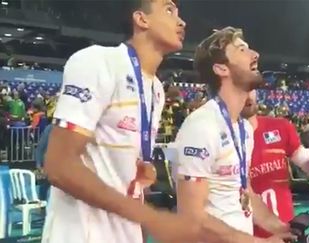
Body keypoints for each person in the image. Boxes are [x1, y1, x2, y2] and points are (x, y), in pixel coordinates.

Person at [41, 1, 201, 243]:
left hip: (126, 232)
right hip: (82, 233)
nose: (182, 21)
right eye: (169, 10)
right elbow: (59, 166)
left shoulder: (156, 89)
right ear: (141, 19)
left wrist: (137, 171)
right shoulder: (97, 61)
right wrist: (153, 218)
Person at [175, 27, 295, 243]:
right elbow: (192, 216)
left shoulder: (244, 130)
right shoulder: (201, 126)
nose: (255, 55)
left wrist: (282, 228)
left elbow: (244, 190)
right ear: (222, 68)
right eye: (242, 50)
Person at [241, 90, 309, 238]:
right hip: (244, 235)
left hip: (286, 232)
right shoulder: (219, 138)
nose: (248, 95)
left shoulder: (280, 127)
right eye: (241, 88)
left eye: (251, 88)